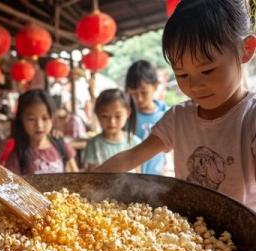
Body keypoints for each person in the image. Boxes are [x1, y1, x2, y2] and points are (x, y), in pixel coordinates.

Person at [96, 0, 256, 210]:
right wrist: (80, 184)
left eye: (207, 70)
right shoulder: (178, 119)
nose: (195, 85)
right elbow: (131, 156)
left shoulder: (250, 119)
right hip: (189, 233)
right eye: (182, 74)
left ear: (246, 50)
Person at [4, 89, 79, 174]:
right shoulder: (18, 156)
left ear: (52, 118)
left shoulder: (61, 146)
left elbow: (76, 180)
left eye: (45, 118)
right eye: (31, 119)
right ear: (21, 120)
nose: (39, 125)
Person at [125, 60, 168, 175]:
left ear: (155, 86)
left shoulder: (166, 115)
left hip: (157, 177)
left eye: (144, 93)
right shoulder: (126, 116)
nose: (138, 98)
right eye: (134, 93)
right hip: (131, 177)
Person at [84, 89, 141, 171]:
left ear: (128, 113)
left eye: (118, 116)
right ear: (97, 114)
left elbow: (138, 173)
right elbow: (91, 174)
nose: (111, 122)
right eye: (105, 116)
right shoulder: (93, 144)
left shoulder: (135, 142)